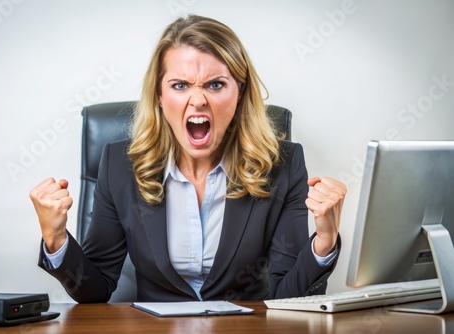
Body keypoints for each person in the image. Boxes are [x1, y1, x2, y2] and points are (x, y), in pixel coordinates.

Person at [29, 14, 347, 303]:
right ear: (159, 95)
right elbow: (94, 291)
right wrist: (55, 238)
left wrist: (324, 240)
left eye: (216, 84)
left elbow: (286, 298)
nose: (198, 100)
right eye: (180, 85)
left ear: (240, 93)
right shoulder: (119, 164)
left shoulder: (283, 165)